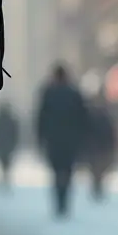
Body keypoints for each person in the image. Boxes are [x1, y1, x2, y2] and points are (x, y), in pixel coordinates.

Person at [35, 65, 88, 217]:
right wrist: (83, 139)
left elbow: (41, 119)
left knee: (57, 172)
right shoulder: (74, 94)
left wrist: (41, 138)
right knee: (67, 172)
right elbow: (83, 118)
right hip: (71, 141)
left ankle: (59, 202)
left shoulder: (48, 93)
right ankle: (63, 202)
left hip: (54, 141)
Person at [84, 84, 118, 202]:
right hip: (96, 146)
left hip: (100, 146)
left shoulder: (103, 112)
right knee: (96, 170)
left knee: (99, 170)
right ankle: (97, 188)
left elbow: (110, 130)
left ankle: (97, 187)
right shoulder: (92, 112)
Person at [0, 103, 20, 191]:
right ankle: (5, 180)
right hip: (7, 145)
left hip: (2, 145)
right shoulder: (10, 120)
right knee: (6, 164)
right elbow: (14, 134)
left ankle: (4, 180)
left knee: (3, 163)